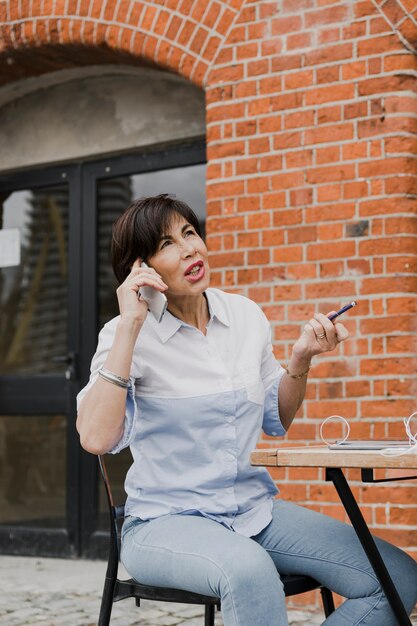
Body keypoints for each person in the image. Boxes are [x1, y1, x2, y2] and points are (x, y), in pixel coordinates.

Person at [77, 194, 417, 626]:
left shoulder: (245, 316)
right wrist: (129, 324)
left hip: (255, 512)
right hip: (165, 522)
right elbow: (95, 438)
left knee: (397, 577)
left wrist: (299, 362)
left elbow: (278, 420)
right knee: (250, 571)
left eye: (189, 233)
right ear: (141, 270)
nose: (190, 249)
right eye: (167, 244)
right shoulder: (126, 334)